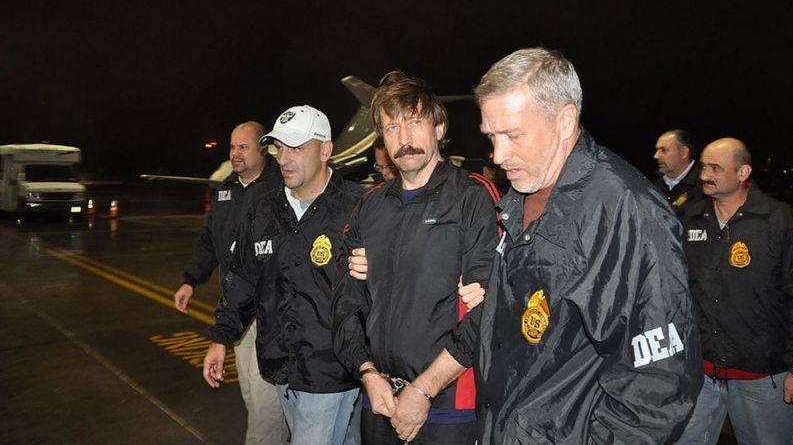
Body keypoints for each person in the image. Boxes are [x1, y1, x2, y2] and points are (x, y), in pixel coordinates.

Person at [473, 47, 702, 444]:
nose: (498, 154)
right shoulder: (521, 194)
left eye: (513, 135)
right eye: (492, 136)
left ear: (564, 120)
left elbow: (657, 386)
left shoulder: (626, 209)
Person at [333, 71, 501, 445]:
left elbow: (486, 311)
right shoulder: (370, 205)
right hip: (379, 400)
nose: (404, 138)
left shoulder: (473, 197)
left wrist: (424, 389)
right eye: (392, 128)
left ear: (439, 128)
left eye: (415, 123)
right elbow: (346, 304)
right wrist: (366, 373)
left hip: (448, 406)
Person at [203, 106, 364, 445]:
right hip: (282, 366)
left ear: (325, 150)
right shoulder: (264, 210)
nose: (284, 159)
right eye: (280, 148)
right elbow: (242, 279)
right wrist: (221, 337)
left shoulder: (357, 208)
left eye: (297, 148)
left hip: (330, 371)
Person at [677, 138, 793, 444]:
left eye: (715, 168)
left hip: (762, 379)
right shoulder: (688, 217)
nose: (705, 175)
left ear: (743, 172)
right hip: (699, 373)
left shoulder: (778, 220)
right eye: (703, 166)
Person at [173, 121, 285, 445]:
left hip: (270, 312)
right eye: (232, 147)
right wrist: (191, 281)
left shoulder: (281, 186)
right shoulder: (227, 189)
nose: (235, 153)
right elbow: (209, 240)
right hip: (236, 308)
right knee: (250, 391)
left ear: (263, 149)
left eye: (243, 147)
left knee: (264, 403)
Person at [653, 129, 704, 217]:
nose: (656, 156)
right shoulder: (655, 183)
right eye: (657, 150)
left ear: (683, 153)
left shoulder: (704, 184)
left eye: (663, 150)